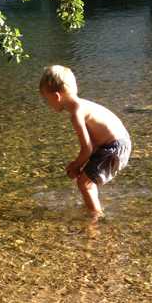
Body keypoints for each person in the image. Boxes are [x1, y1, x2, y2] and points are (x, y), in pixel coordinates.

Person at [39, 65, 131, 219]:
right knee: (86, 180)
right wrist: (82, 165)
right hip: (115, 144)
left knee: (84, 183)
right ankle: (93, 208)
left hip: (114, 148)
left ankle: (95, 218)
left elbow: (87, 149)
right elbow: (93, 142)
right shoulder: (83, 105)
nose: (47, 104)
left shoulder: (76, 114)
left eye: (46, 100)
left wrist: (75, 164)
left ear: (56, 97)